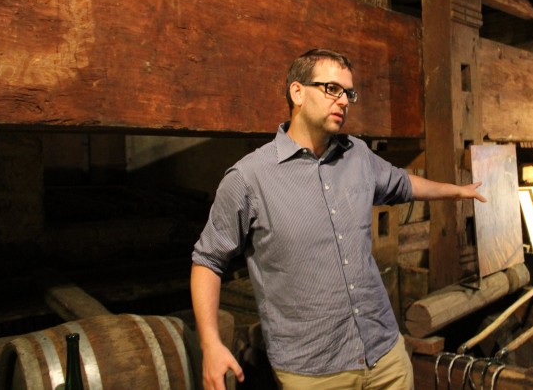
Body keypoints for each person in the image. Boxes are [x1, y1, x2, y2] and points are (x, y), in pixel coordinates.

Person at [191, 48, 487, 389]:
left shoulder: (357, 155)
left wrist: (455, 191)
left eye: (348, 92)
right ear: (297, 92)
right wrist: (210, 344)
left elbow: (403, 183)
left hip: (384, 354)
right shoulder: (248, 178)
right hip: (314, 371)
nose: (344, 100)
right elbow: (207, 261)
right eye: (333, 89)